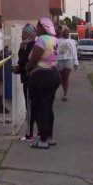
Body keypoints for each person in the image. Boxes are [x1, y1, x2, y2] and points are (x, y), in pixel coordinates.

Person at [26, 17, 61, 149]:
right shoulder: (54, 40)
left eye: (38, 26)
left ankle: (43, 139)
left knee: (40, 108)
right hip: (53, 74)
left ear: (43, 27)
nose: (36, 28)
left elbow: (35, 58)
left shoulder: (41, 40)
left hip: (41, 76)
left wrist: (27, 67)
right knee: (48, 107)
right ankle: (49, 136)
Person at [12, 23, 37, 140]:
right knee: (31, 106)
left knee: (30, 107)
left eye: (24, 34)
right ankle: (34, 132)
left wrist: (18, 68)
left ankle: (29, 134)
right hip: (27, 77)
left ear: (30, 35)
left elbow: (23, 61)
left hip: (30, 79)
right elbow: (22, 61)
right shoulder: (27, 45)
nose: (22, 36)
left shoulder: (32, 45)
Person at [57, 26, 78, 102]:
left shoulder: (72, 41)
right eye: (64, 31)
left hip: (69, 60)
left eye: (67, 31)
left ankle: (65, 94)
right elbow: (55, 51)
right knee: (62, 78)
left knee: (66, 76)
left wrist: (76, 62)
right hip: (59, 60)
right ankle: (64, 91)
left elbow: (74, 52)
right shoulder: (58, 40)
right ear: (62, 33)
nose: (66, 32)